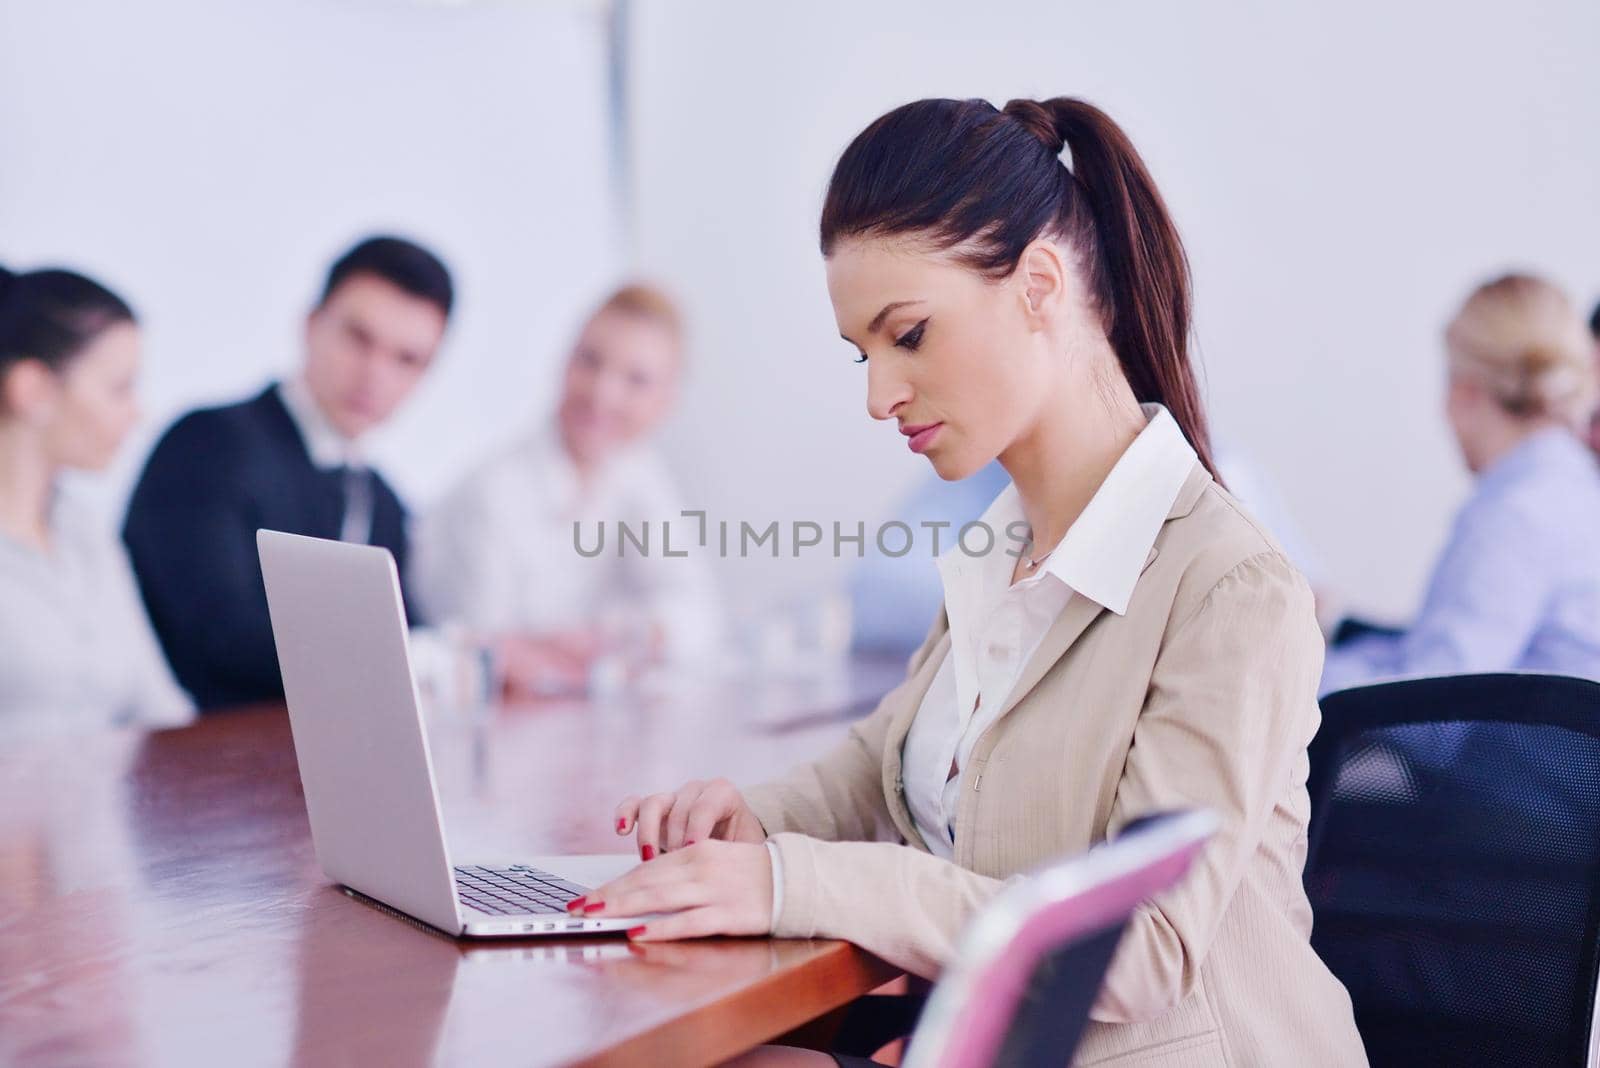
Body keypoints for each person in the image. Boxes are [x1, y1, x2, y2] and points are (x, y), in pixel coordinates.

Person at [567, 97, 1367, 1066]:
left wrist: (792, 882)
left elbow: (1141, 945)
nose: (877, 394)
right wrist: (749, 822)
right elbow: (889, 764)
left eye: (908, 335)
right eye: (864, 353)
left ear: (1038, 285)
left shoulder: (1230, 588)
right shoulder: (1003, 548)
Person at [123, 235, 452, 711]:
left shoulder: (380, 498)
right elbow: (219, 637)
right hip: (193, 757)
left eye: (407, 360)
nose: (374, 375)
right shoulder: (208, 443)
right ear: (311, 325)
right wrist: (414, 658)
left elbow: (405, 627)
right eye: (358, 339)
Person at [411, 283, 719, 698]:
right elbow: (486, 658)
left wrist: (627, 634)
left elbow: (700, 613)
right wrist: (598, 651)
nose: (602, 392)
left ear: (667, 402)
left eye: (636, 380)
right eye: (590, 362)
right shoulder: (493, 492)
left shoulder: (638, 473)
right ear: (565, 361)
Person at [1321, 274, 1600, 696]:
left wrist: (1297, 676)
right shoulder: (1571, 487)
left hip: (1500, 761)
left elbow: (1434, 708)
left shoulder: (1516, 515)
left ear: (1467, 393)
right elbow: (1437, 656)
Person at [0, 266, 191, 738]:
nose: (136, 412)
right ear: (33, 389)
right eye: (118, 388)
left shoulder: (85, 532)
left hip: (110, 806)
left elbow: (160, 707)